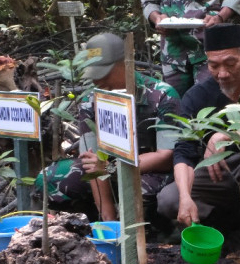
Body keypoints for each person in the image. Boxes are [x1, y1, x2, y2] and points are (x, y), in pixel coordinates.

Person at [35, 33, 181, 224]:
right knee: (49, 179)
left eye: (104, 73)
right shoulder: (91, 100)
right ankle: (92, 220)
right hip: (104, 169)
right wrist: (107, 218)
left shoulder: (162, 95)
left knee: (138, 193)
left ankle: (155, 232)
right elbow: (91, 160)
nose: (97, 81)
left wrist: (111, 168)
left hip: (148, 170)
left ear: (125, 64)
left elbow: (166, 157)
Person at [156, 23, 240, 236]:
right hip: (217, 176)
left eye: (230, 63)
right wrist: (185, 197)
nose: (222, 73)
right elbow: (183, 152)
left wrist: (228, 135)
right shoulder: (197, 97)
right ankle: (222, 224)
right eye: (214, 66)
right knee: (170, 200)